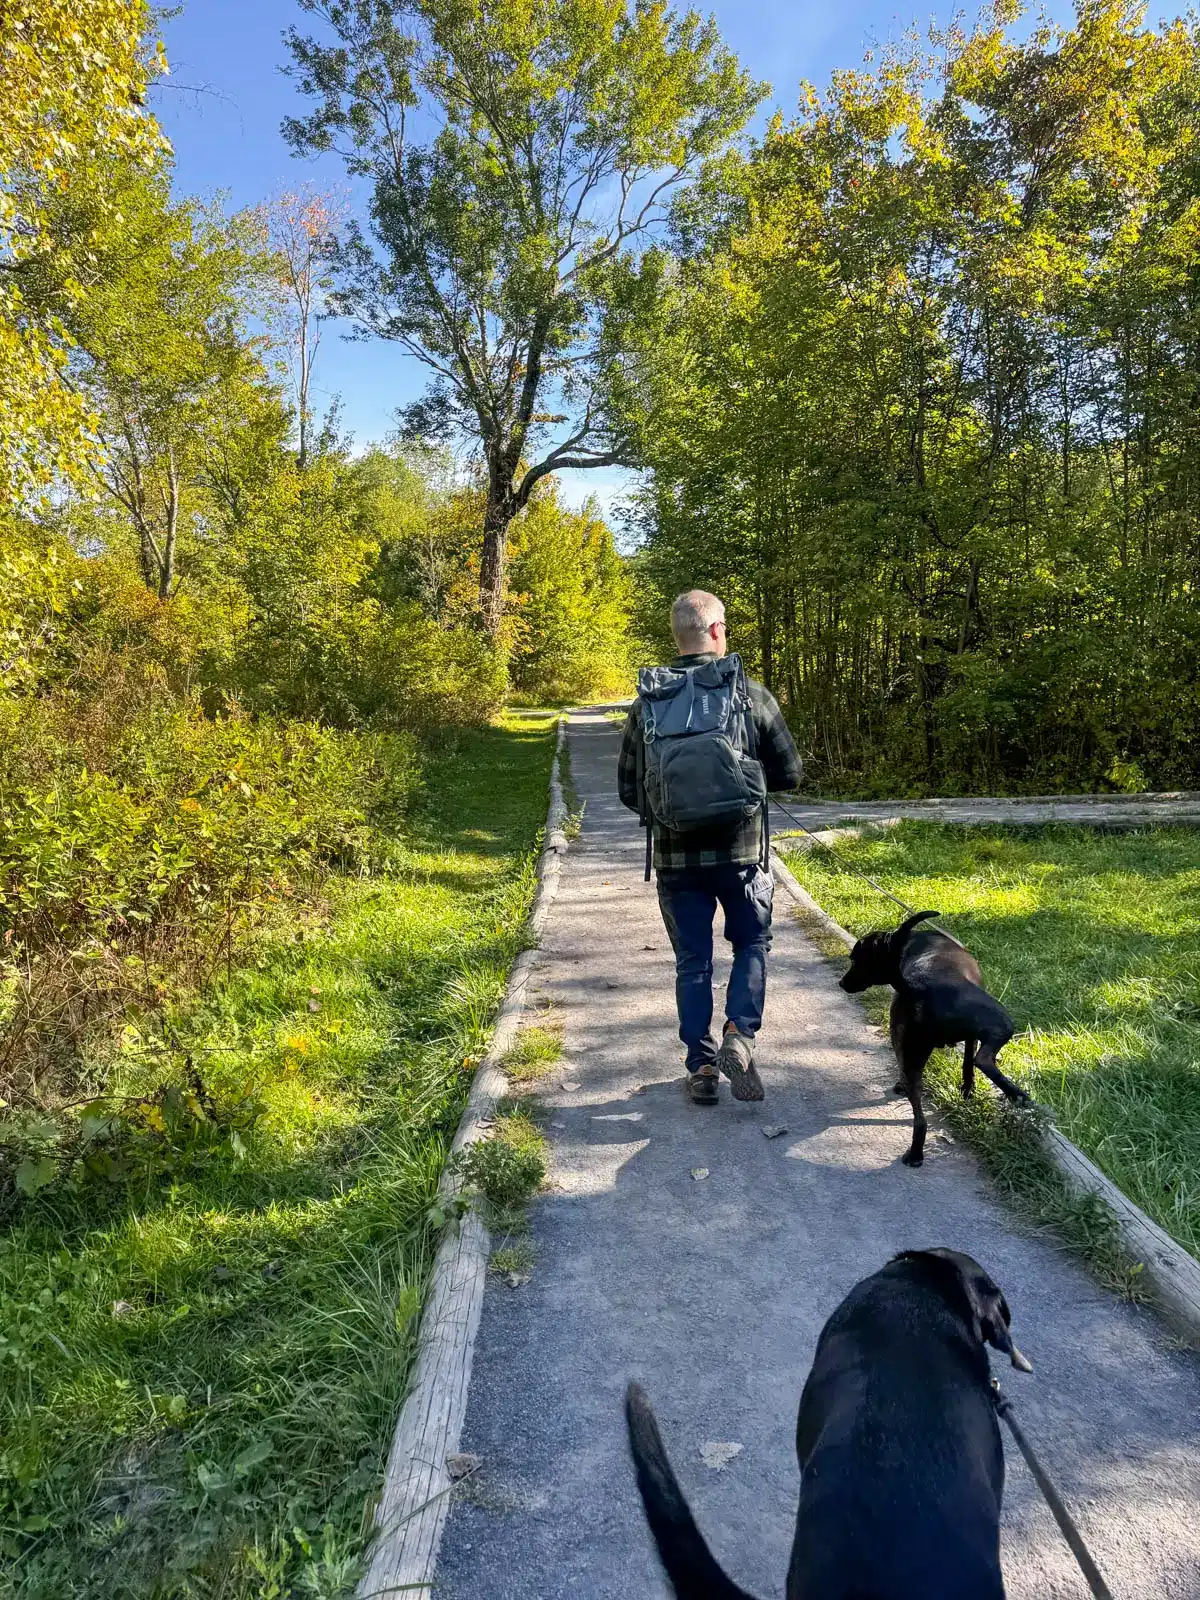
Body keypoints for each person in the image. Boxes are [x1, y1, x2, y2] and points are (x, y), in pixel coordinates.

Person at [617, 590, 803, 1104]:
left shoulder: (649, 703)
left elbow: (630, 789)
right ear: (718, 631)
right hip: (742, 855)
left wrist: (676, 811)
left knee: (693, 962)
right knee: (751, 944)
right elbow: (789, 773)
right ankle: (739, 1034)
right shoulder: (748, 693)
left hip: (677, 863)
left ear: (676, 636)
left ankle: (700, 1069)